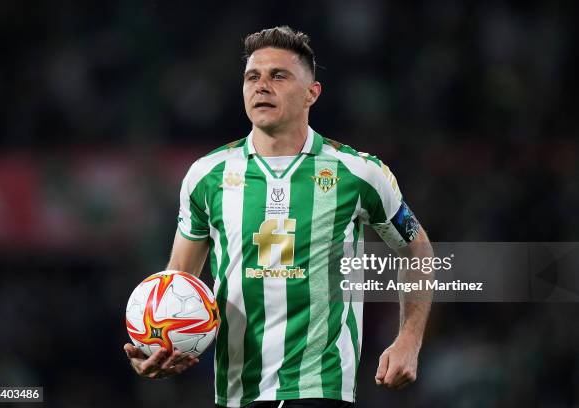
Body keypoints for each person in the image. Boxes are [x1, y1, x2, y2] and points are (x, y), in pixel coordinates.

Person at [124, 26, 433, 408]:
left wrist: (409, 339)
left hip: (320, 386)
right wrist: (156, 346)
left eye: (278, 75)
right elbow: (178, 282)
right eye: (253, 76)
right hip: (236, 390)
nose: (262, 86)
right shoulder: (208, 175)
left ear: (312, 93)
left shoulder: (358, 173)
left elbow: (416, 248)